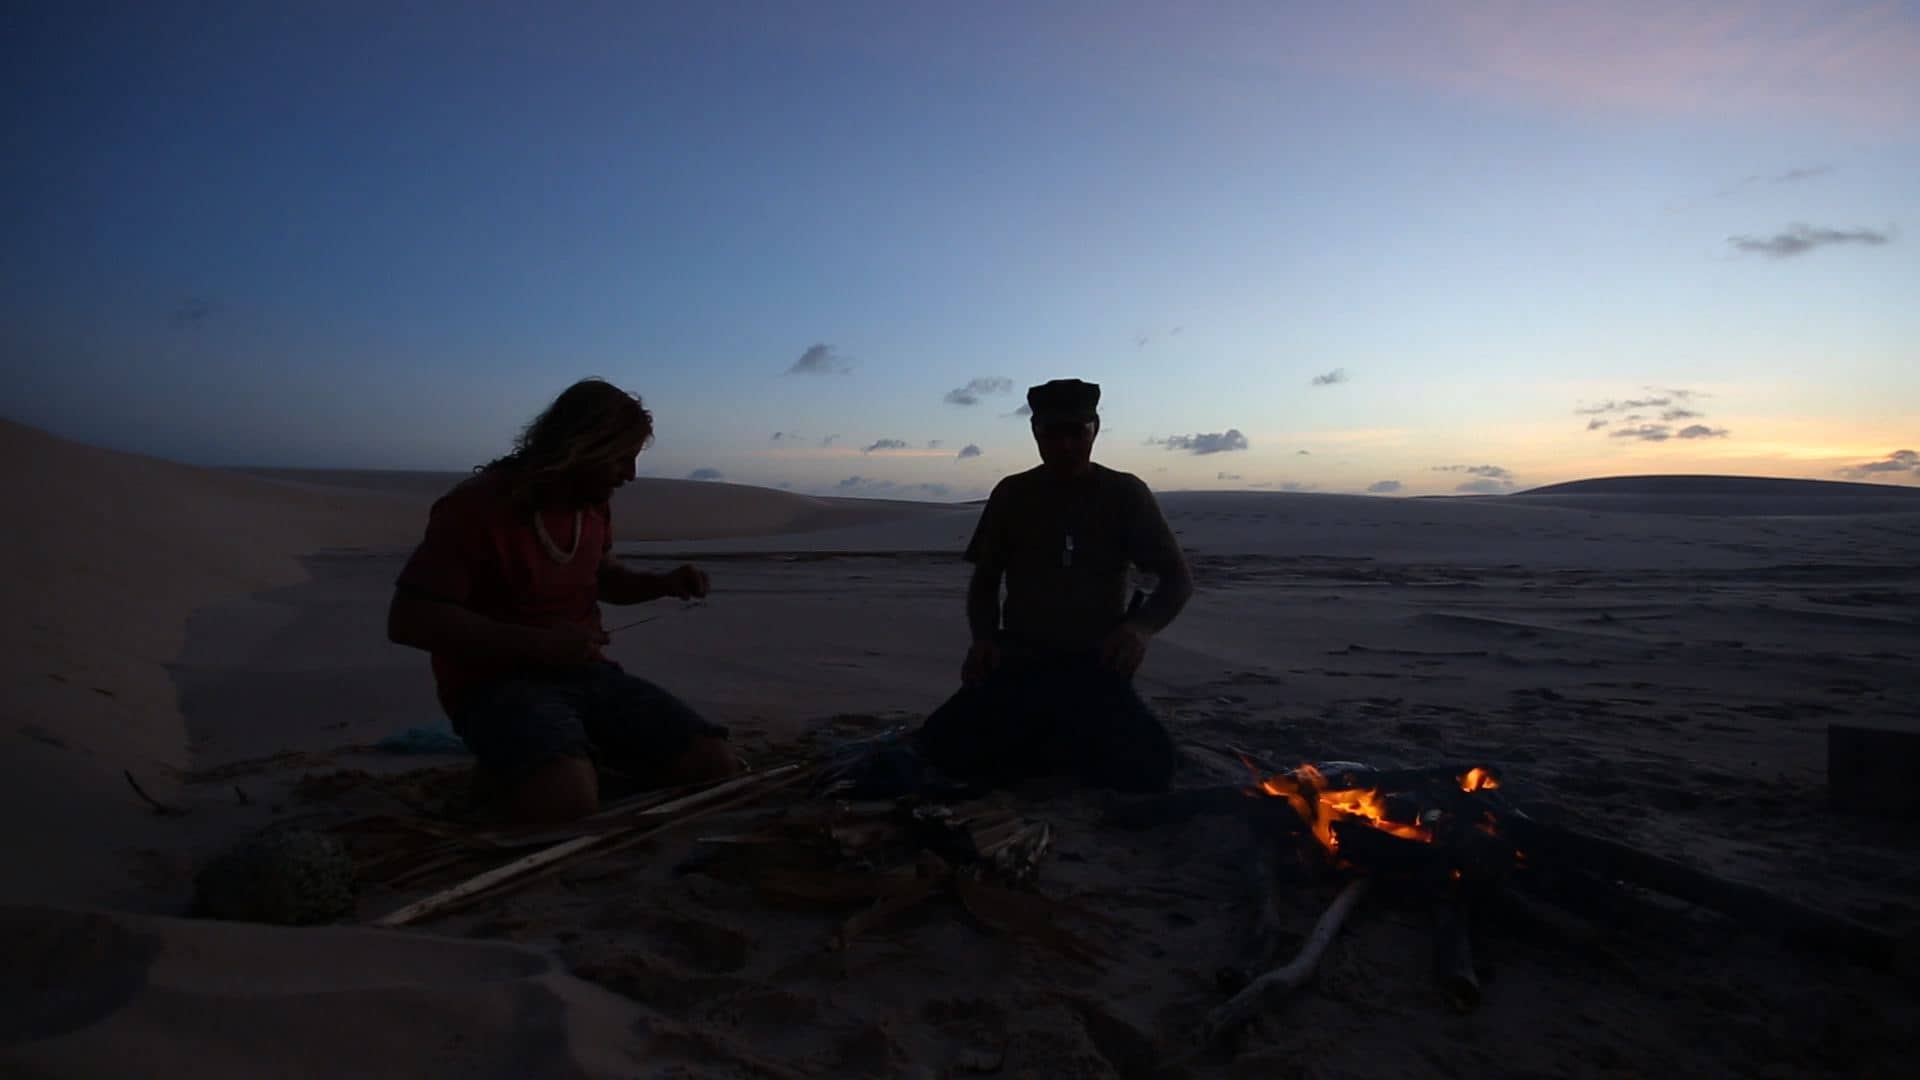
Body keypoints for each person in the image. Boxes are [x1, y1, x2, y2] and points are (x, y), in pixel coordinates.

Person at [386, 378, 739, 823]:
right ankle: (520, 775)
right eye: (621, 458)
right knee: (567, 801)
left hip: (587, 675)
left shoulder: (591, 506)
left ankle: (566, 757)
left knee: (713, 762)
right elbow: (409, 619)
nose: (629, 475)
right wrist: (538, 645)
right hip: (494, 687)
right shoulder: (476, 509)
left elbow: (604, 578)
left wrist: (663, 583)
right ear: (581, 447)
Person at [913, 378, 1194, 792]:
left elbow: (1177, 580)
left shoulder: (1125, 494)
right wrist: (984, 639)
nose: (1064, 445)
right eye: (1051, 433)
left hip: (1095, 665)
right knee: (940, 748)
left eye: (1076, 432)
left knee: (1149, 768)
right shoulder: (1013, 494)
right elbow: (986, 580)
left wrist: (1139, 629)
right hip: (1021, 659)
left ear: (1095, 429)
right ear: (1035, 432)